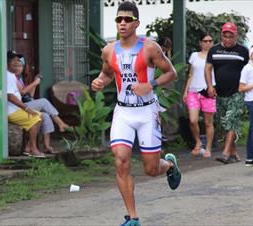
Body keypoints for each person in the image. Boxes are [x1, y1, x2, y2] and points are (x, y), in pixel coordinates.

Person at [91, 2, 181, 226]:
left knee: (151, 169)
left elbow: (172, 73)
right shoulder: (109, 50)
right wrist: (100, 81)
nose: (122, 23)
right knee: (121, 161)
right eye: (119, 19)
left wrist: (149, 84)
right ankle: (133, 218)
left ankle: (169, 165)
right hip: (123, 111)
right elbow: (107, 73)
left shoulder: (150, 48)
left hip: (147, 112)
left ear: (136, 23)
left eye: (127, 20)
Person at [205, 22, 249, 164]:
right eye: (225, 36)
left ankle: (225, 153)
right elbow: (208, 69)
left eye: (231, 36)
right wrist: (209, 86)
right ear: (221, 36)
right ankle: (234, 153)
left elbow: (249, 70)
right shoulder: (214, 50)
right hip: (220, 93)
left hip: (237, 92)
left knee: (231, 119)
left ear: (236, 35)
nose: (228, 39)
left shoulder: (243, 50)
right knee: (224, 123)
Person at [15, 55, 70, 153]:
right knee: (44, 102)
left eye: (20, 66)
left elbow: (29, 95)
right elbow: (22, 92)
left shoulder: (20, 79)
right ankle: (60, 123)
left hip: (27, 104)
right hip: (19, 107)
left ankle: (46, 146)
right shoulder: (12, 78)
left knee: (45, 115)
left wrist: (35, 84)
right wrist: (35, 83)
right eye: (16, 66)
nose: (18, 68)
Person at [6, 51, 45, 158]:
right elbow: (10, 96)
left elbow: (23, 91)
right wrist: (26, 108)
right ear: (7, 63)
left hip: (16, 108)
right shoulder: (7, 76)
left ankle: (28, 147)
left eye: (18, 60)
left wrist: (34, 83)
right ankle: (34, 149)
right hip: (10, 111)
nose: (17, 62)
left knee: (41, 116)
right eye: (14, 60)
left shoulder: (12, 76)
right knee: (34, 119)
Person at [182, 33, 215, 158]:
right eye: (205, 41)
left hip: (208, 92)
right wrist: (185, 91)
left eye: (210, 41)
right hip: (193, 91)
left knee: (208, 122)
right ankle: (198, 141)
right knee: (193, 120)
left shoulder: (215, 57)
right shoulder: (194, 56)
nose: (208, 43)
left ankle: (208, 148)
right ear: (200, 42)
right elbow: (190, 75)